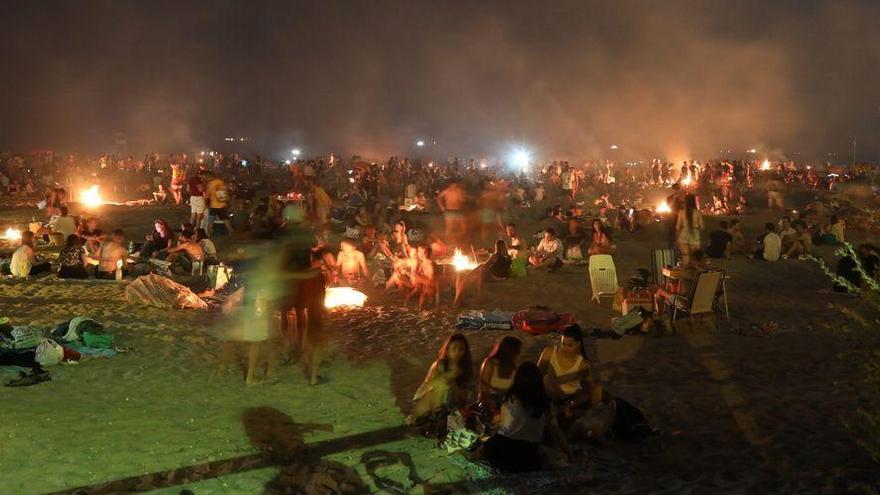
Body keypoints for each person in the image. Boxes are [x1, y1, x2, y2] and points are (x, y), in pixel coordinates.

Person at [477, 362, 571, 473]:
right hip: (529, 456)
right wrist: (569, 454)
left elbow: (505, 427)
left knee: (486, 446)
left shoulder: (510, 397)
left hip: (502, 450)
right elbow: (556, 431)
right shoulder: (543, 402)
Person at [537, 325, 603, 426]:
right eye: (563, 344)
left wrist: (573, 403)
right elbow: (536, 375)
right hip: (546, 397)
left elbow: (587, 392)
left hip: (565, 401)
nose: (565, 349)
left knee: (598, 391)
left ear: (578, 344)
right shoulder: (549, 352)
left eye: (570, 345)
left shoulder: (583, 364)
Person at [408, 333, 474, 421]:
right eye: (454, 348)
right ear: (447, 351)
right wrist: (449, 375)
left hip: (449, 408)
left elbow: (463, 399)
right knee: (442, 385)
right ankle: (435, 418)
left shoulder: (464, 369)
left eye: (461, 349)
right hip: (426, 404)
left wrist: (454, 383)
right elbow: (431, 387)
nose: (457, 352)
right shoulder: (440, 364)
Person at [454, 239, 511, 305]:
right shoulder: (509, 257)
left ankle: (478, 294)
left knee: (481, 269)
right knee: (481, 269)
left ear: (497, 247)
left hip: (494, 276)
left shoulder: (495, 256)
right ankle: (470, 279)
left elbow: (486, 265)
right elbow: (504, 268)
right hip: (501, 276)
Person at [478, 336, 522, 414]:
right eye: (517, 351)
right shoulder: (490, 364)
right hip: (489, 404)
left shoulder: (513, 366)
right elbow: (483, 391)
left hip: (507, 404)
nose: (518, 354)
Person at [405, 245, 439, 311]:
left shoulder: (430, 265)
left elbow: (431, 283)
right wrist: (408, 272)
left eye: (420, 252)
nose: (418, 253)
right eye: (418, 251)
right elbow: (417, 275)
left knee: (425, 311)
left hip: (430, 294)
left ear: (425, 253)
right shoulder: (424, 263)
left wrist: (416, 276)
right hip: (424, 291)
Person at [676, 193, 703, 265]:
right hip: (695, 236)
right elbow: (702, 226)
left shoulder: (681, 212)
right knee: (696, 258)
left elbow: (678, 227)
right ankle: (695, 274)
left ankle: (686, 273)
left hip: (684, 236)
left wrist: (677, 239)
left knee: (685, 258)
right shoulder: (697, 212)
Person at [437, 181, 467, 245]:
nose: (454, 186)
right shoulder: (446, 191)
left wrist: (461, 197)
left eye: (455, 185)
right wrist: (441, 207)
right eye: (453, 185)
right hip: (449, 211)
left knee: (463, 228)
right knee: (449, 229)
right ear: (450, 185)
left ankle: (457, 241)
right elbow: (438, 198)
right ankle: (448, 243)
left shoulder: (458, 191)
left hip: (458, 211)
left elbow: (462, 200)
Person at [205, 171, 234, 236]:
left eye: (206, 177)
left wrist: (206, 203)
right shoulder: (221, 182)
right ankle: (231, 232)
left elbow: (207, 195)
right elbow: (225, 192)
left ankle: (208, 234)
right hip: (222, 205)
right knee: (226, 220)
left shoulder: (210, 184)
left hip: (214, 206)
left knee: (211, 221)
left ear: (209, 176)